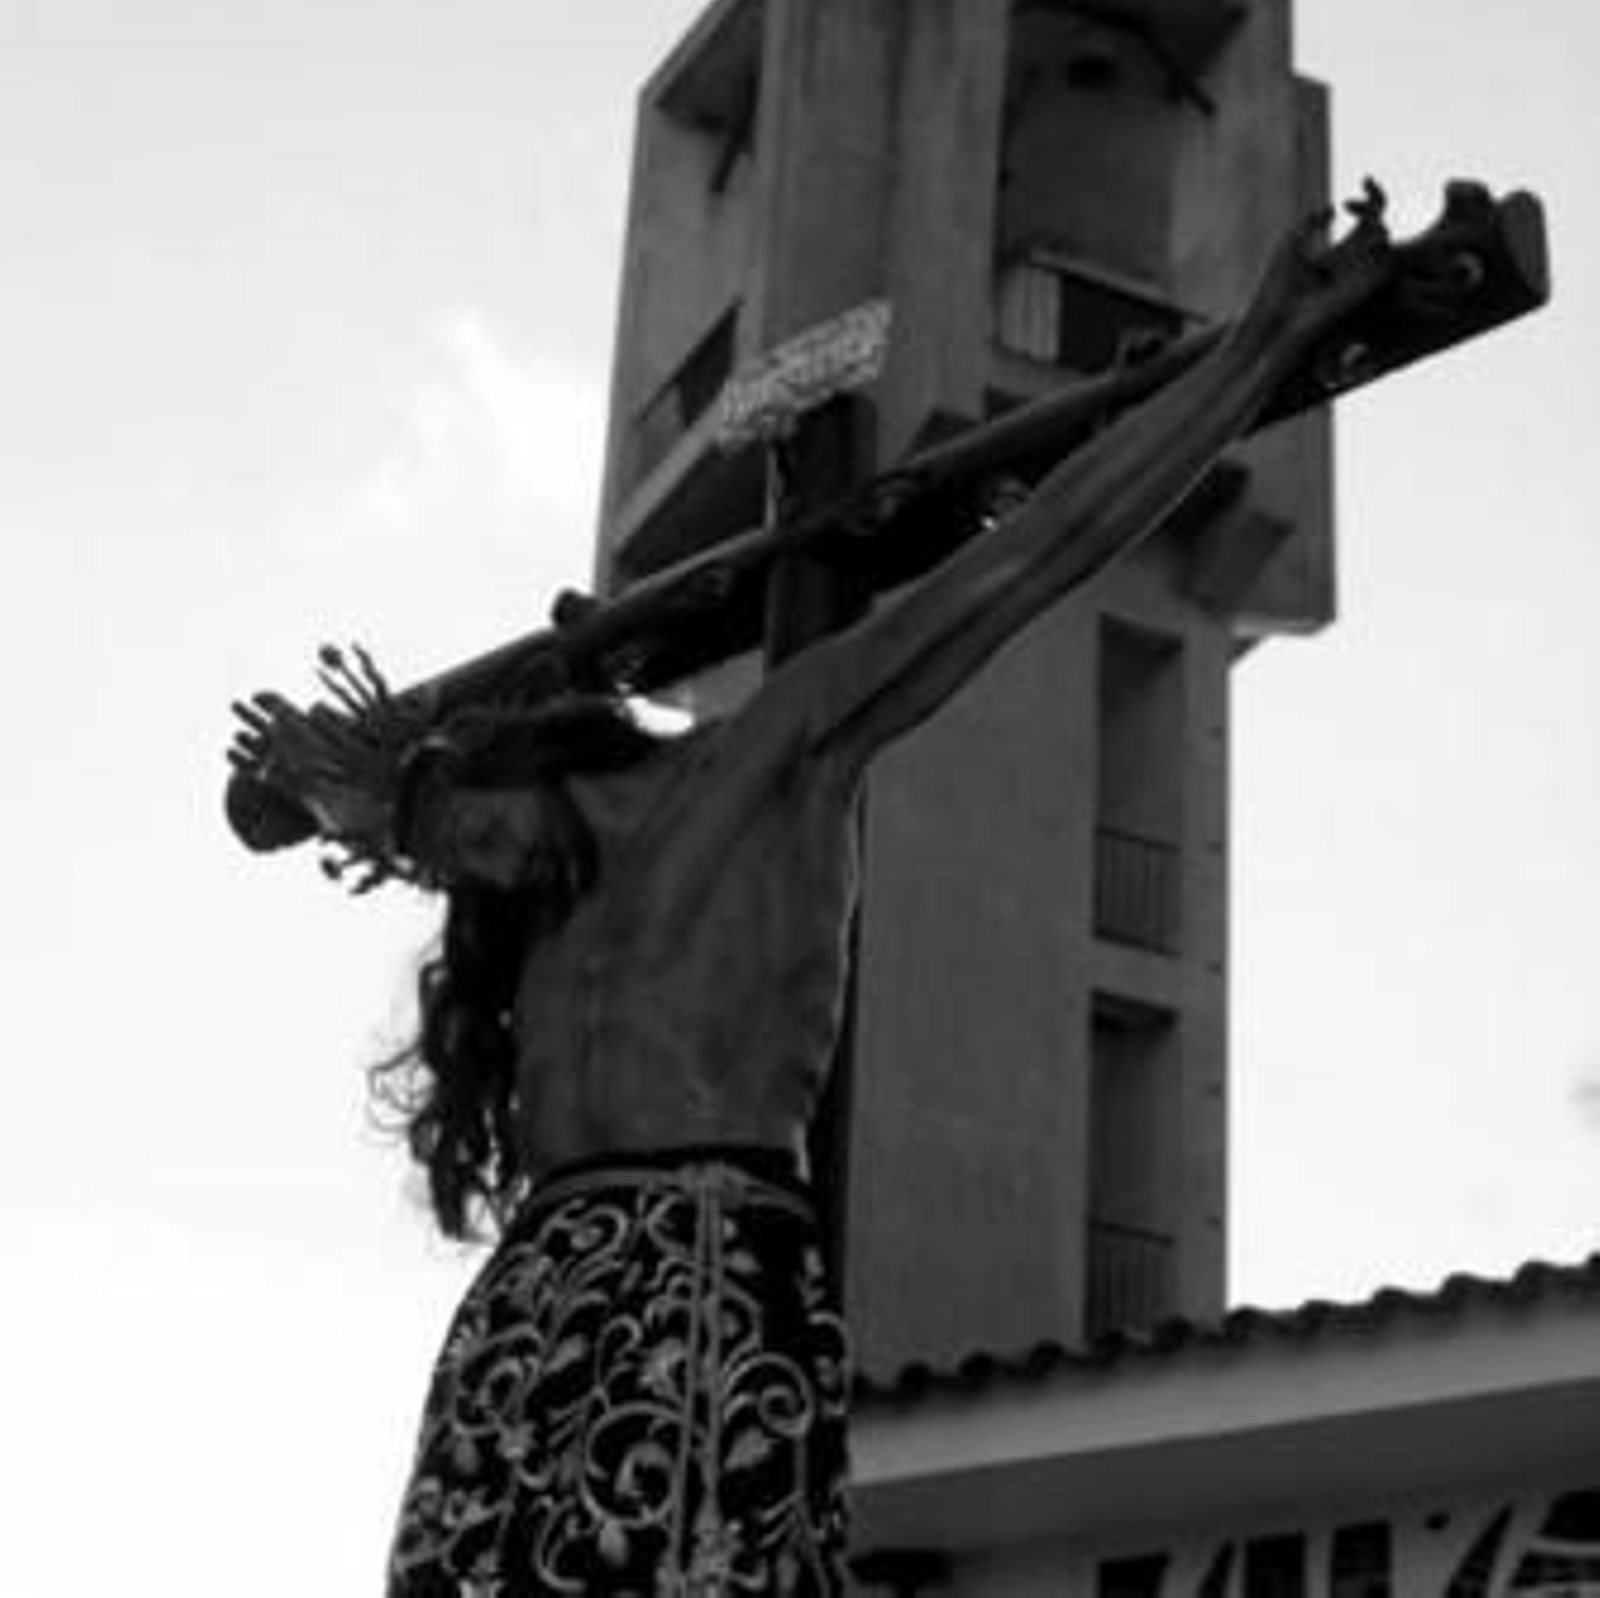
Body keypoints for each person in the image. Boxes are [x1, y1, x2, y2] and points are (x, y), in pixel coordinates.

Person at [371, 195, 1392, 1597]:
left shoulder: (765, 763)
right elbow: (397, 813)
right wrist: (337, 788)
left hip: (701, 1264)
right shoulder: (543, 909)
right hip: (534, 1300)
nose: (468, 875)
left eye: (470, 836)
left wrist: (1256, 356)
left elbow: (1034, 555)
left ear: (535, 753)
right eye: (441, 862)